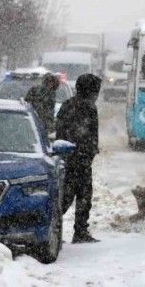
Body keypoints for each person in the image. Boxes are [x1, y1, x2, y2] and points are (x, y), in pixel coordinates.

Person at [56, 73, 102, 243]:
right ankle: (80, 230)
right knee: (82, 195)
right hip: (80, 159)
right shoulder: (88, 107)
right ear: (91, 91)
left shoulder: (67, 105)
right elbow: (91, 133)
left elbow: (60, 130)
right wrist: (90, 151)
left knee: (66, 195)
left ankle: (54, 226)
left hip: (67, 157)